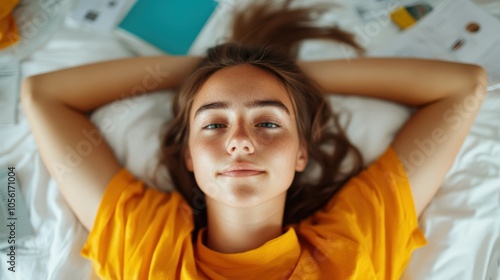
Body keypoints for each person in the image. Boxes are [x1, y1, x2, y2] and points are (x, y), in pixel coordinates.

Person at [21, 1, 487, 279]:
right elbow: (44, 95)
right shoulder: (146, 241)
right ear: (188, 155)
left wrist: (287, 75)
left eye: (267, 123)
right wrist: (215, 66)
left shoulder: (354, 243)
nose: (240, 141)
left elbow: (462, 87)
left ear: (302, 152)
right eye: (213, 124)